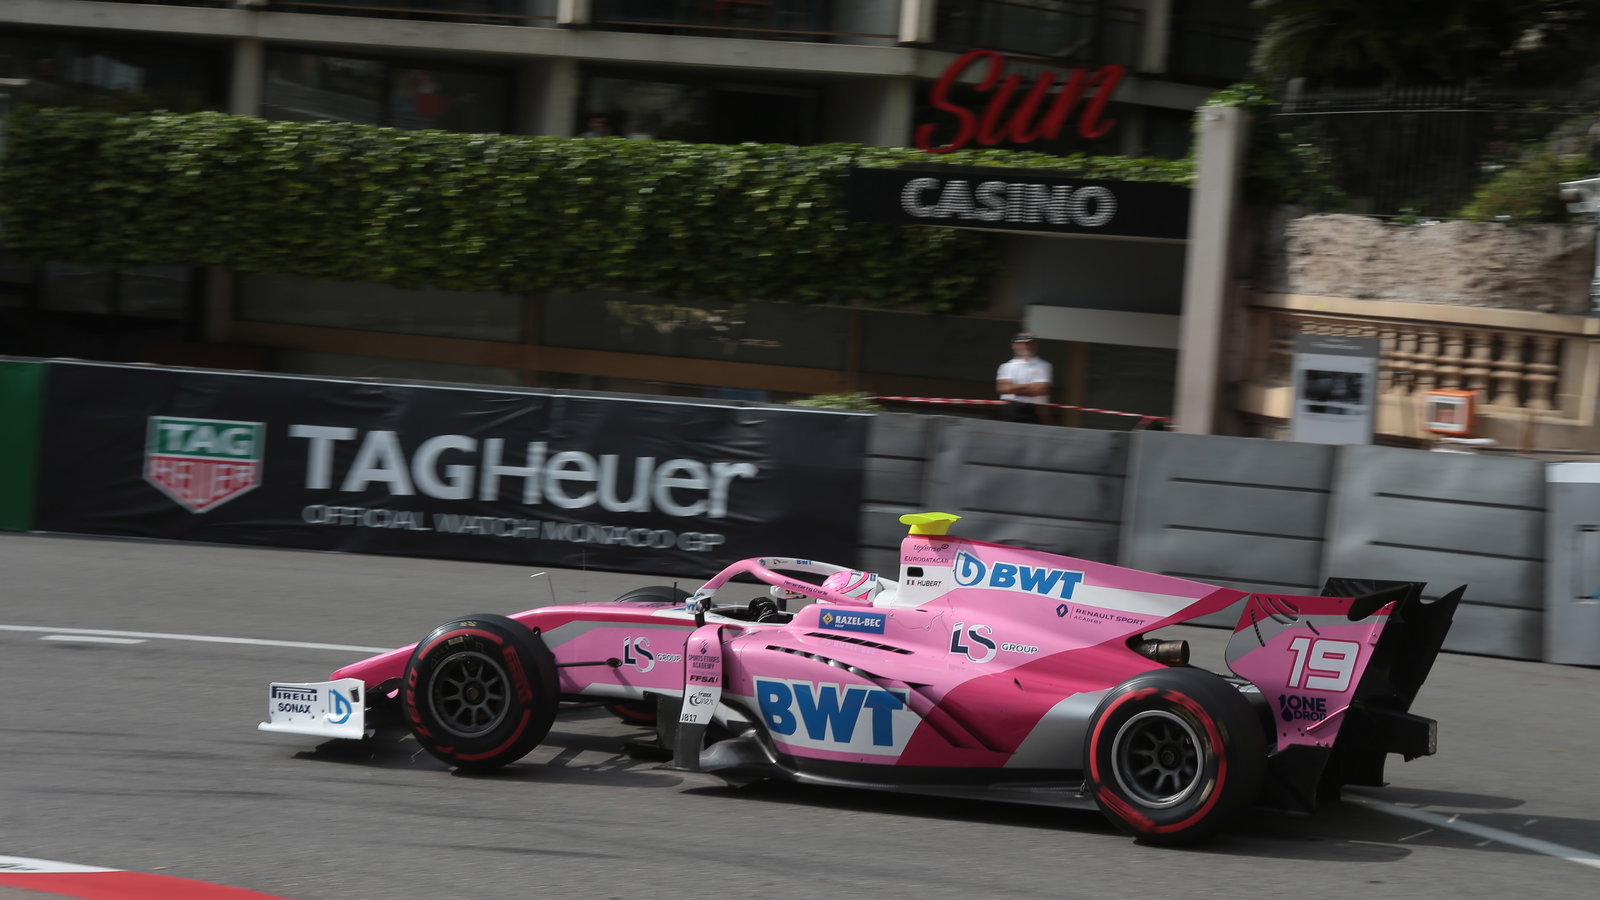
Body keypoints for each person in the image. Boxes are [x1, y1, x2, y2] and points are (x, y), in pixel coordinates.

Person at [995, 332, 1054, 424]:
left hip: (1035, 410)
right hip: (1011, 410)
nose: (1026, 346)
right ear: (1014, 345)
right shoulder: (1007, 366)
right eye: (1021, 343)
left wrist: (1014, 389)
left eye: (1029, 343)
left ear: (1035, 345)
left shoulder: (1043, 365)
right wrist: (1030, 388)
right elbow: (1003, 388)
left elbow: (1041, 389)